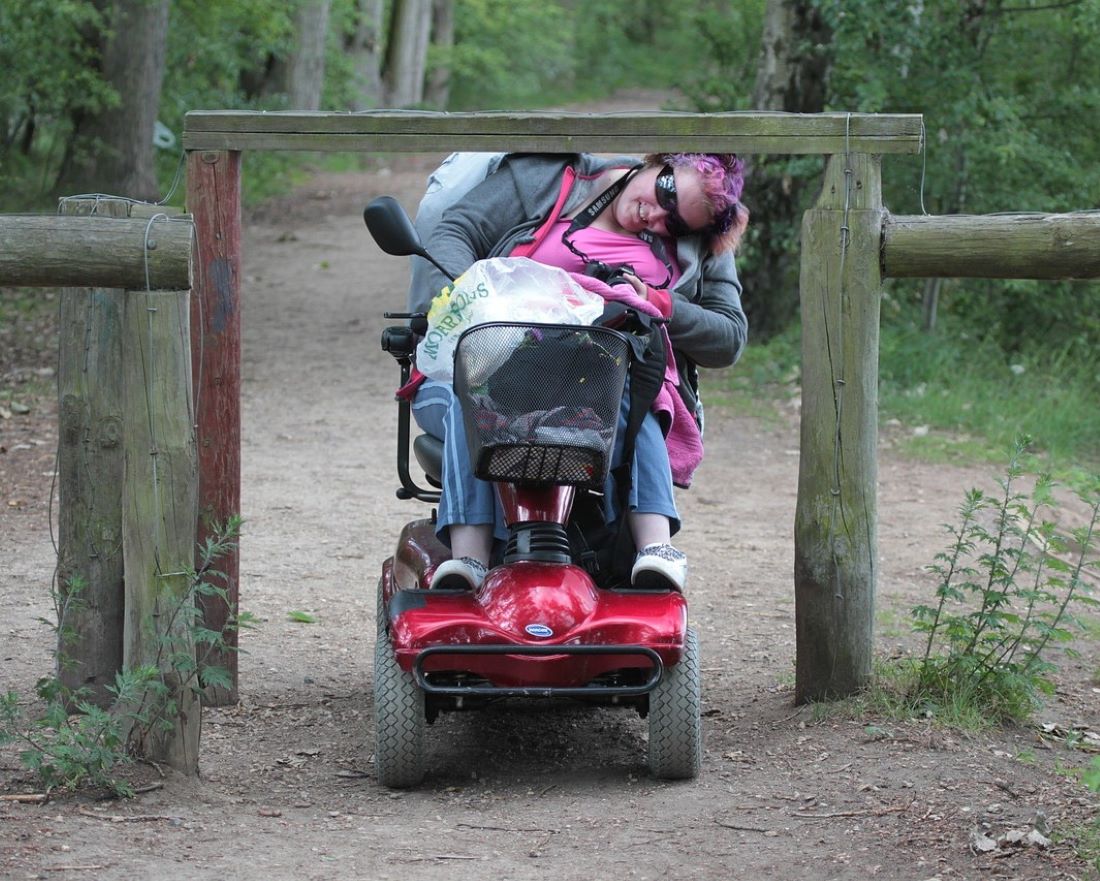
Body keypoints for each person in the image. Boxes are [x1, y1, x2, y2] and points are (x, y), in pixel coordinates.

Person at [407, 152, 749, 592]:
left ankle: (655, 551)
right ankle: (468, 559)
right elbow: (455, 231)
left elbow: (729, 335)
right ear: (657, 162)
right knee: (469, 392)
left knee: (641, 394)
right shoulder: (544, 179)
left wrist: (661, 303)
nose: (657, 217)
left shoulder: (698, 244)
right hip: (487, 360)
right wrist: (474, 300)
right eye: (665, 193)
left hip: (599, 381)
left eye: (675, 224)